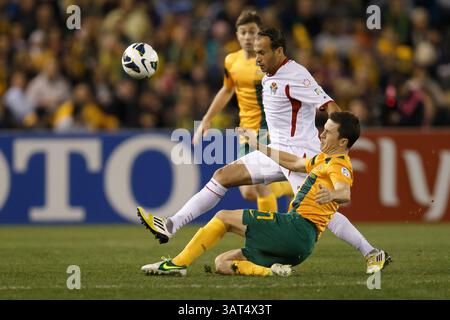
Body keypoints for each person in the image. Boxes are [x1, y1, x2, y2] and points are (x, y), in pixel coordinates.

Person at [138, 28, 391, 274]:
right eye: (256, 52)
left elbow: (330, 105)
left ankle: (371, 252)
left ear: (279, 51)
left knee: (321, 211)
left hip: (300, 155)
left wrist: (338, 146)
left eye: (262, 52)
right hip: (275, 152)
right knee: (223, 176)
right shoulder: (270, 74)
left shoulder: (296, 75)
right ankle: (170, 225)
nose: (257, 57)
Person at [140, 112, 388, 276]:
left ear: (343, 141)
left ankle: (177, 264)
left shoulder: (339, 164)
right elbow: (294, 163)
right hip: (298, 249)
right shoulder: (322, 158)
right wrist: (258, 145)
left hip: (296, 229)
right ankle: (272, 270)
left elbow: (345, 191)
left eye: (328, 131)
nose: (321, 134)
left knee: (224, 217)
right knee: (221, 264)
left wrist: (333, 194)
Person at [192, 10, 293, 213]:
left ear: (260, 35)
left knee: (259, 183)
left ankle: (269, 234)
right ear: (237, 35)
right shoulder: (231, 61)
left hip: (267, 129)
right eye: (243, 32)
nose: (247, 37)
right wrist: (207, 119)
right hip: (246, 131)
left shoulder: (267, 61)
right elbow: (227, 89)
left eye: (252, 32)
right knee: (248, 192)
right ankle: (291, 186)